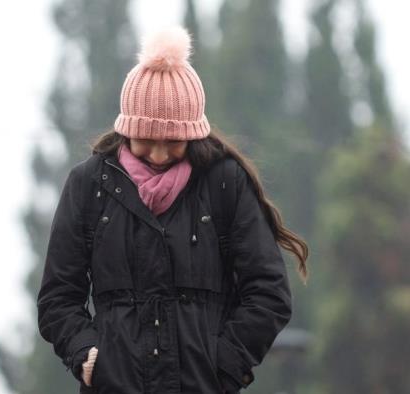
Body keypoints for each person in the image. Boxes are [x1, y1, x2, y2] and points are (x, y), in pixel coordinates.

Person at [37, 27, 308, 394]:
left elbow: (269, 292)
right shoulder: (88, 185)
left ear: (194, 133)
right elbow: (58, 297)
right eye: (147, 141)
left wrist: (226, 366)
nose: (160, 155)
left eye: (174, 142)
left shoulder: (224, 182)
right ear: (126, 130)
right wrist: (85, 354)